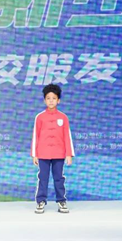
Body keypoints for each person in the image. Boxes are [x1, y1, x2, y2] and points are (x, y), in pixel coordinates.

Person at [31, 83, 75, 214]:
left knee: (59, 178)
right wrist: (35, 154)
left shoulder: (63, 117)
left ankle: (61, 200)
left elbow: (67, 136)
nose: (51, 101)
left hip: (59, 153)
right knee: (43, 178)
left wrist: (69, 154)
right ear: (44, 100)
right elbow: (36, 136)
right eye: (48, 98)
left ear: (58, 100)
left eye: (54, 98)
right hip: (43, 153)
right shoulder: (39, 117)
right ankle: (40, 201)